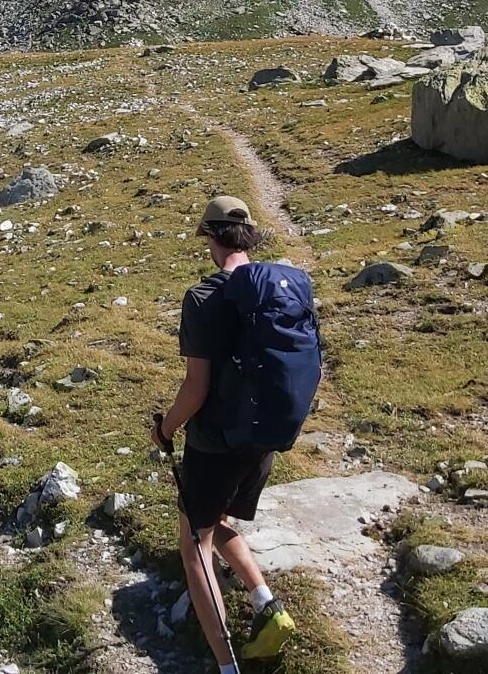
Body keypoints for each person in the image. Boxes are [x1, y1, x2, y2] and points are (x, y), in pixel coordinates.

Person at [153, 194, 319, 671]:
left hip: (216, 442)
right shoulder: (280, 286)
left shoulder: (204, 297)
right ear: (248, 237)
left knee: (193, 547)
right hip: (266, 433)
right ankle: (267, 604)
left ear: (209, 236)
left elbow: (195, 388)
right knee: (215, 517)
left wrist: (165, 430)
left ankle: (227, 666)